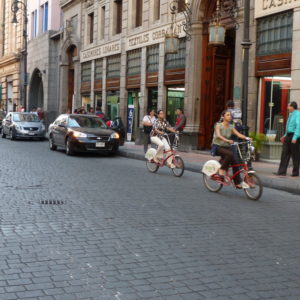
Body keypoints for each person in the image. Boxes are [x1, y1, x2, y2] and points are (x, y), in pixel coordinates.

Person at [212, 110, 250, 189]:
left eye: (230, 115)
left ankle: (237, 183)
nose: (230, 116)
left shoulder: (231, 126)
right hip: (218, 146)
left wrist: (247, 138)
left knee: (235, 163)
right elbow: (218, 135)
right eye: (228, 115)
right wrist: (227, 140)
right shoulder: (218, 125)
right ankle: (222, 170)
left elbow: (238, 134)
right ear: (223, 116)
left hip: (226, 147)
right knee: (230, 154)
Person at [274, 102, 300, 177]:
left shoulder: (298, 114)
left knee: (295, 155)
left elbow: (298, 126)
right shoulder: (291, 114)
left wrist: (295, 137)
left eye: (288, 106)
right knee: (284, 154)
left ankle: (295, 173)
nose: (287, 107)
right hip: (288, 136)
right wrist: (284, 136)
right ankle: (282, 171)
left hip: (294, 136)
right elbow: (289, 127)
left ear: (292, 107)